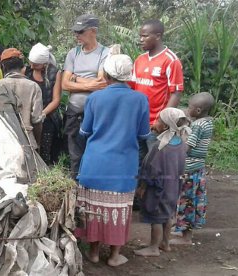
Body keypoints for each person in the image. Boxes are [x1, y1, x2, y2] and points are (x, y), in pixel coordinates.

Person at [74, 54, 150, 266]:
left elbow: (84, 130)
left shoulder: (95, 98)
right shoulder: (140, 99)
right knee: (120, 209)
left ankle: (94, 252)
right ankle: (115, 255)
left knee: (93, 208)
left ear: (106, 75)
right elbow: (144, 134)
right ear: (128, 76)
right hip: (123, 165)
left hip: (95, 163)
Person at [134, 108, 190, 257]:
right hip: (173, 187)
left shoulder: (160, 147)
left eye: (158, 120)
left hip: (158, 189)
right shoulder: (181, 144)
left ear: (165, 127)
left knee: (156, 218)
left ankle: (153, 247)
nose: (155, 123)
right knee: (168, 215)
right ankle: (165, 243)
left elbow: (150, 170)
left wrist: (142, 187)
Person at [62, 14, 110, 179]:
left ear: (93, 31)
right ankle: (75, 187)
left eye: (80, 32)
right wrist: (89, 84)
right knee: (74, 153)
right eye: (76, 32)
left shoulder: (105, 53)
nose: (77, 36)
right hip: (74, 111)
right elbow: (64, 84)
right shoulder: (73, 53)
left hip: (96, 111)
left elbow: (102, 83)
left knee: (95, 149)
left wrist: (76, 78)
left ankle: (91, 187)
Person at [170, 92, 215, 245]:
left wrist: (181, 134)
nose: (187, 109)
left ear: (197, 110)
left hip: (189, 169)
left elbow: (186, 148)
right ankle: (181, 229)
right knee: (194, 199)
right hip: (199, 167)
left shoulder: (197, 126)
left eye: (189, 107)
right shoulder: (208, 122)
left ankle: (186, 237)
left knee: (186, 201)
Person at [132, 19, 184, 132]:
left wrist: (163, 120)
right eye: (140, 36)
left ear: (158, 36)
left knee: (154, 150)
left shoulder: (171, 60)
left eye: (145, 36)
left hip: (155, 125)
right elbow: (132, 88)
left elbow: (176, 93)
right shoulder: (139, 60)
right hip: (136, 121)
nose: (141, 40)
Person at [0, 48, 44, 150]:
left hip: (2, 142)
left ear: (2, 67)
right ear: (23, 67)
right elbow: (37, 120)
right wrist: (37, 142)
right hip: (27, 143)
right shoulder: (33, 87)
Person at [24, 43, 62, 164]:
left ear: (44, 63)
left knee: (45, 151)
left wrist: (42, 113)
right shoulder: (26, 71)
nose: (32, 65)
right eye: (31, 62)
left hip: (47, 117)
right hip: (27, 116)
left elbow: (56, 99)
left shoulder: (54, 73)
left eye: (35, 64)